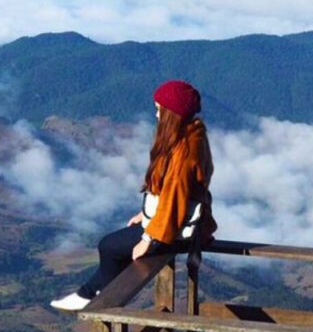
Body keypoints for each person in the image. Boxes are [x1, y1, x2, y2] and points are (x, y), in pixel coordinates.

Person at [50, 79, 217, 312]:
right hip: (178, 226)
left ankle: (100, 297)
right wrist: (145, 214)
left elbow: (173, 200)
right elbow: (173, 194)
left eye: (160, 109)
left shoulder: (185, 151)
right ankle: (90, 293)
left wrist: (149, 239)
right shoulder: (190, 138)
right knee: (114, 246)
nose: (157, 115)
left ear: (172, 113)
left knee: (109, 246)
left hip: (173, 232)